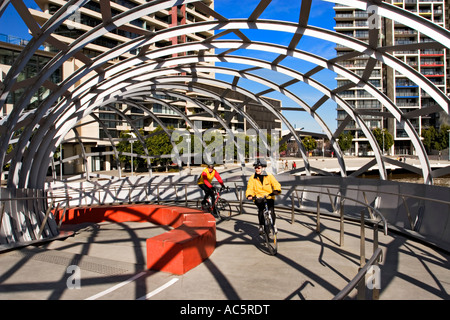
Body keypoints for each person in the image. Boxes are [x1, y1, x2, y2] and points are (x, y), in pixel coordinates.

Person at [246, 159, 281, 234]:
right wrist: (249, 195)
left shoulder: (269, 176)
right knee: (261, 211)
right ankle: (261, 225)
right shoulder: (252, 178)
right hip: (258, 197)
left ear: (263, 168)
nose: (257, 169)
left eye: (258, 168)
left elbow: (276, 184)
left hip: (269, 196)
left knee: (271, 211)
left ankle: (274, 225)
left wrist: (276, 190)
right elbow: (250, 188)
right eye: (255, 168)